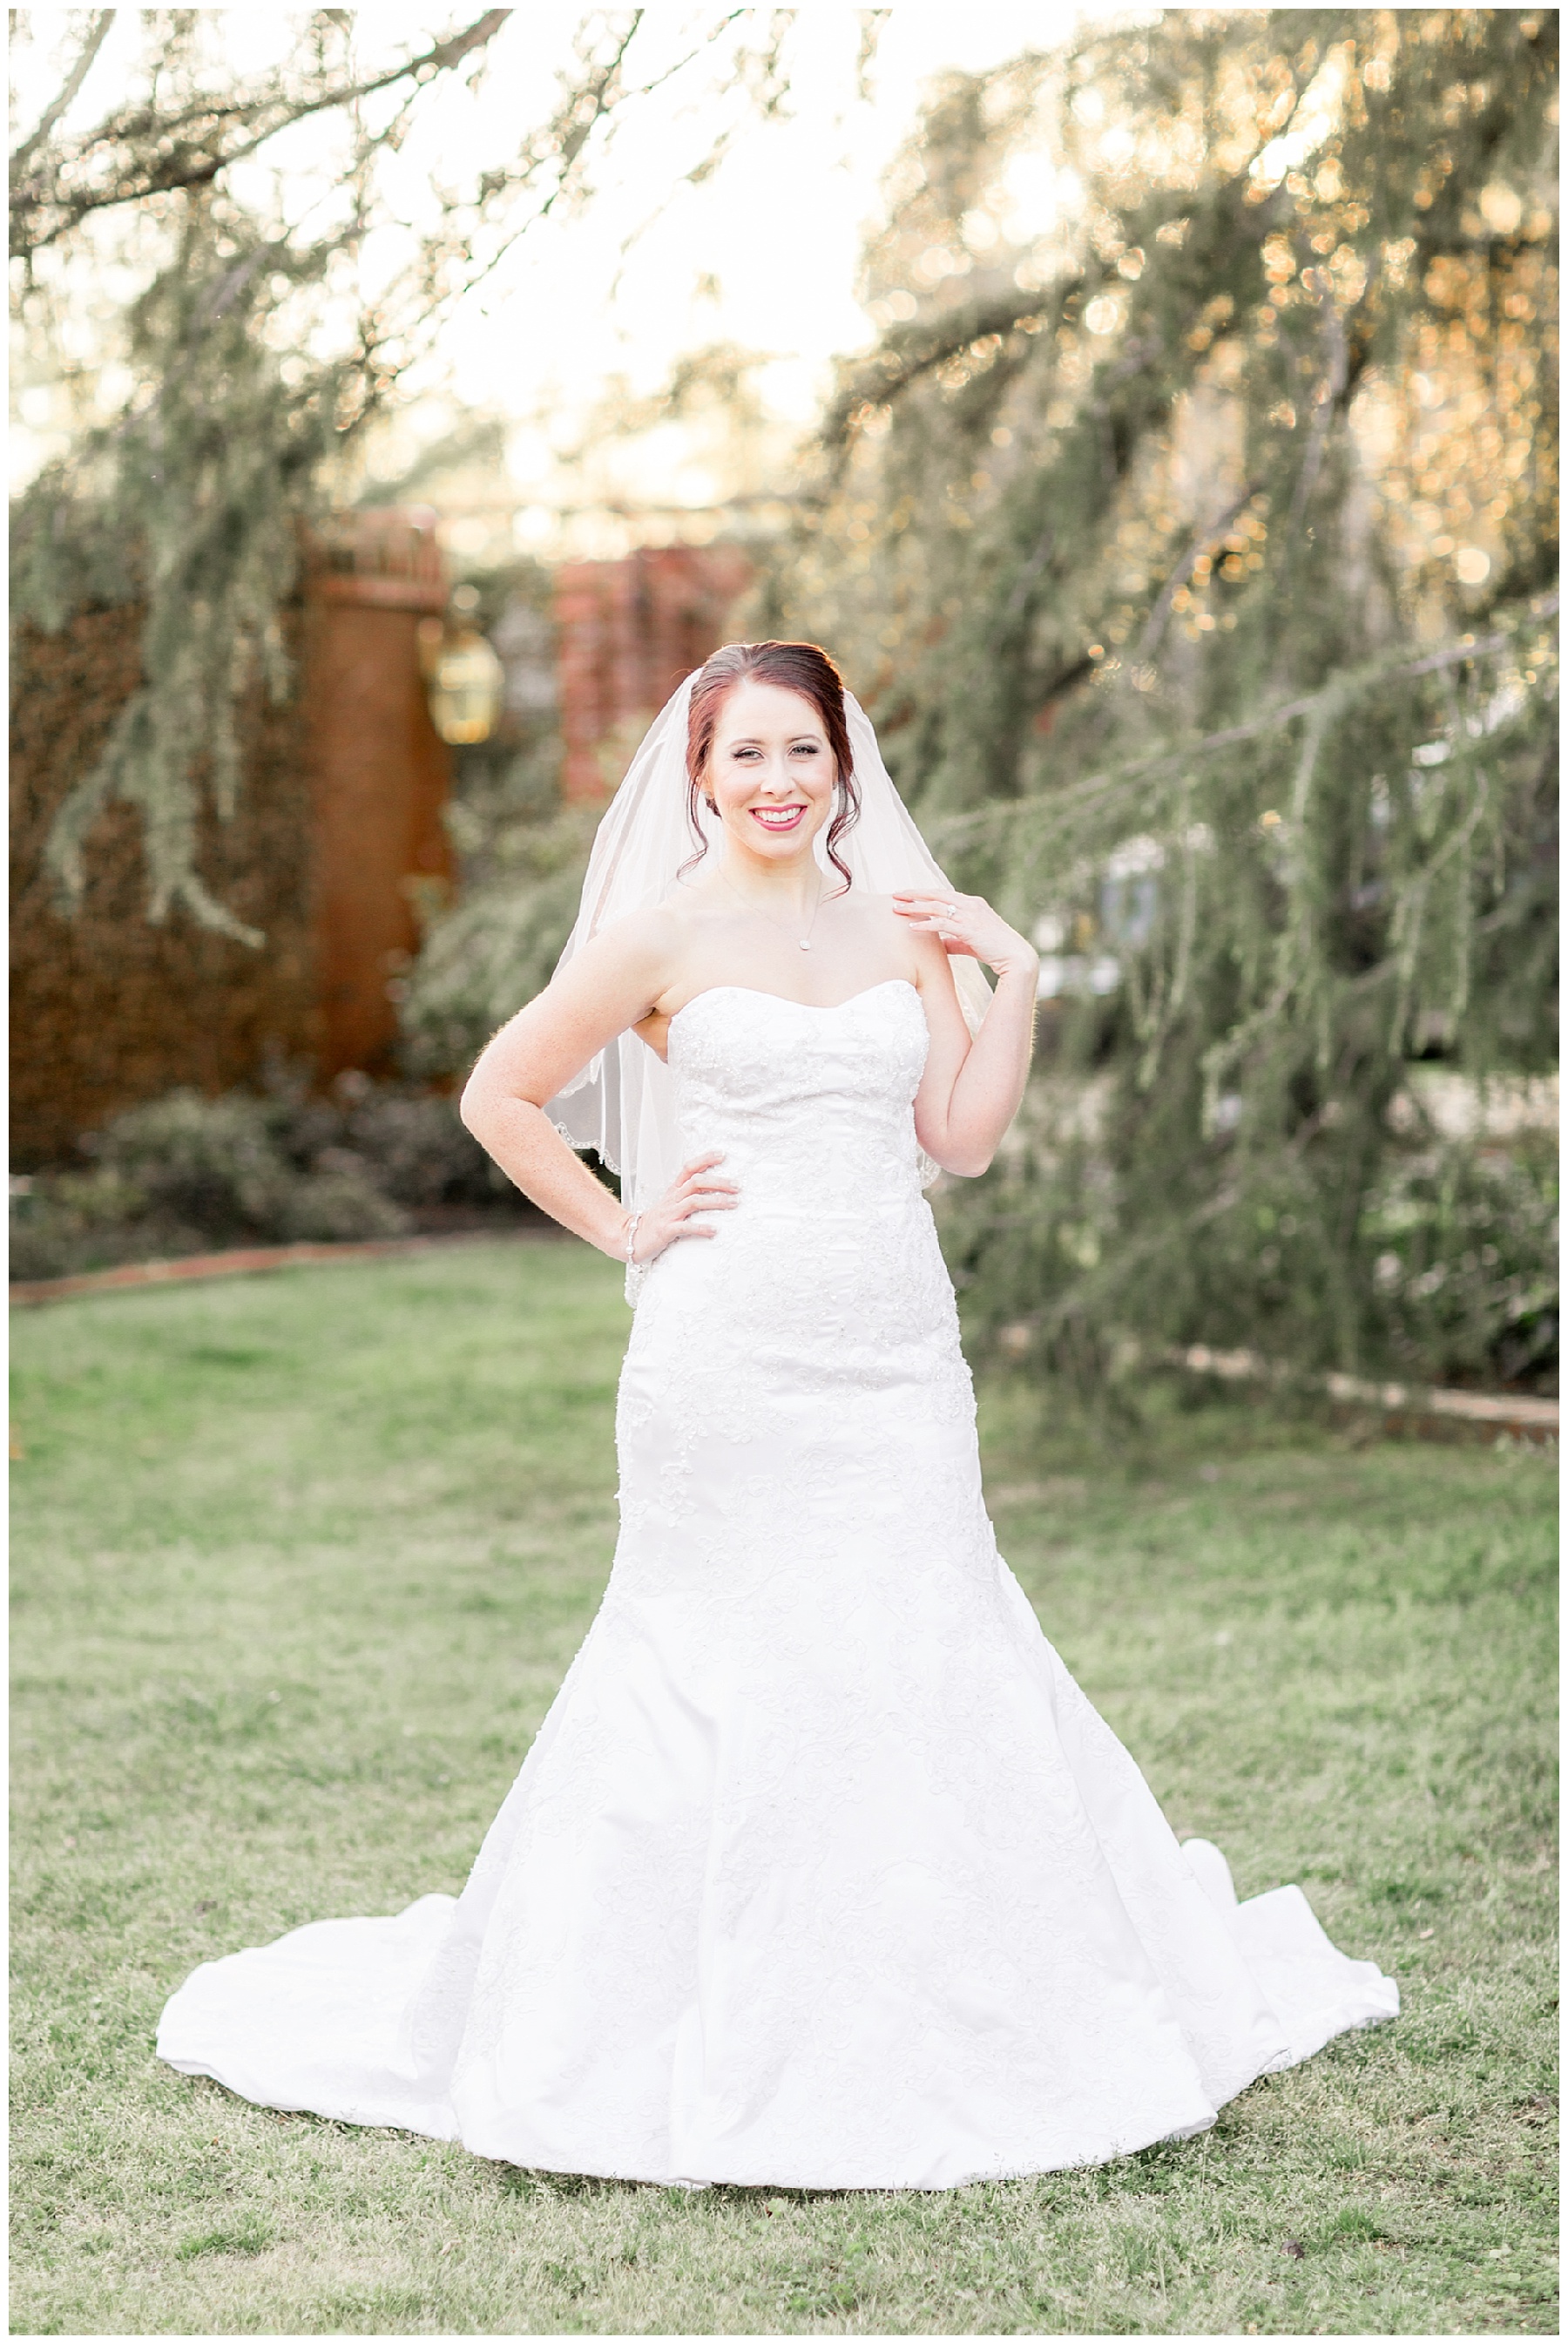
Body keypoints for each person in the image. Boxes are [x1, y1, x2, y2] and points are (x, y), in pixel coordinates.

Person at [158, 640, 1396, 2190]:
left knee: (929, 1633)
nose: (777, 780)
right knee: (709, 1653)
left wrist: (1014, 973)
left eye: (802, 751)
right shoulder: (659, 933)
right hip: (724, 1358)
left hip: (895, 1356)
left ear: (842, 764)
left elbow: (964, 1136)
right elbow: (498, 1094)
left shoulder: (904, 925)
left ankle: (952, 2003)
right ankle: (670, 2011)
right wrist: (625, 1225)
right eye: (744, 754)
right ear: (700, 773)